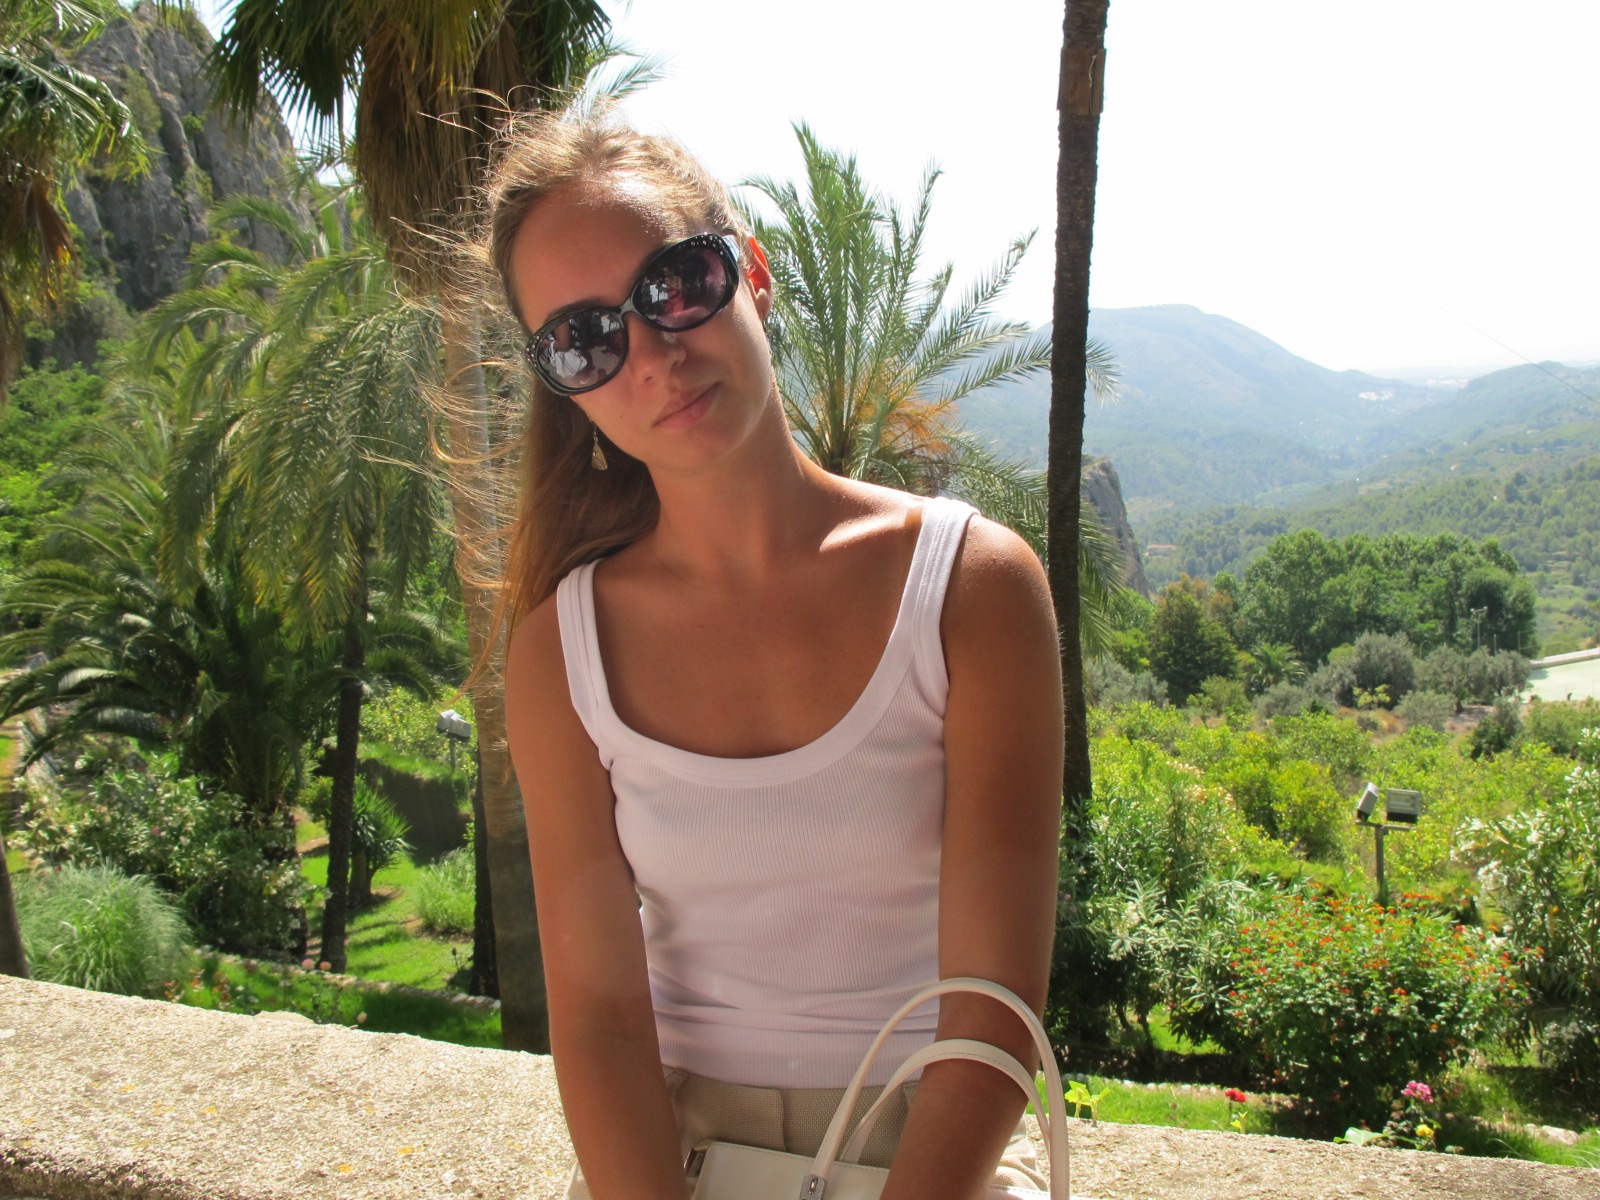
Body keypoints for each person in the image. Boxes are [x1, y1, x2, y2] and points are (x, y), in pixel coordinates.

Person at [489, 106, 1063, 1200]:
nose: (652, 354)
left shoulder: (969, 590)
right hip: (674, 1150)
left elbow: (989, 1018)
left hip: (931, 1146)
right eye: (584, 337)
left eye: (675, 284)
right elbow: (600, 1020)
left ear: (751, 274)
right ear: (560, 380)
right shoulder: (561, 651)